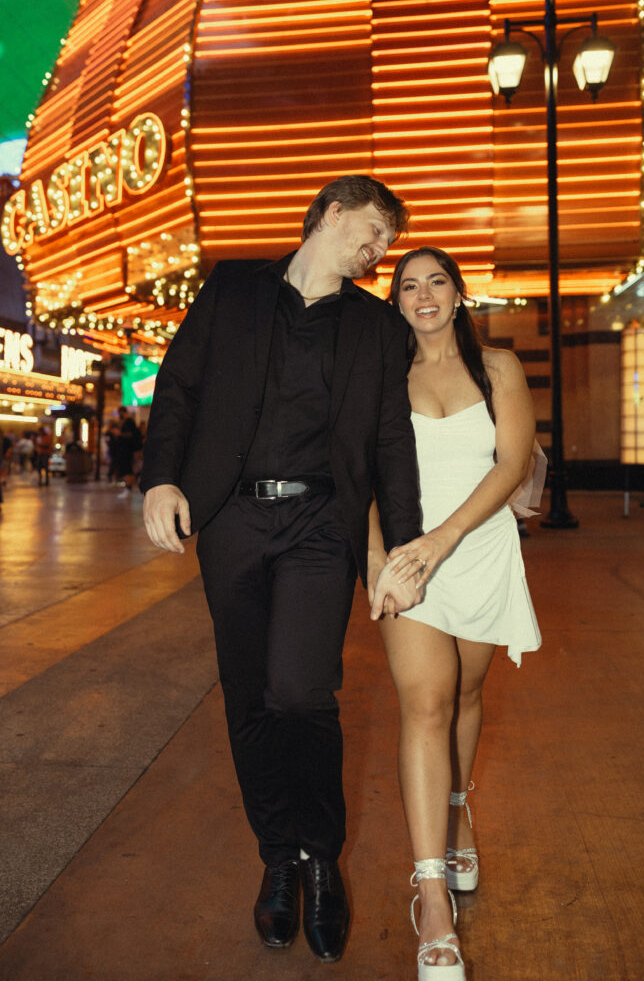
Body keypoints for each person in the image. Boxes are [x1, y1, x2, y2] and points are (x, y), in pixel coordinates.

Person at [140, 176, 422, 964]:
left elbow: (390, 444)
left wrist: (401, 549)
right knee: (248, 696)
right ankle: (277, 857)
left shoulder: (375, 328)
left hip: (317, 526)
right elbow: (180, 386)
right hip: (230, 519)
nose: (377, 253)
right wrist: (161, 478)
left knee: (301, 691)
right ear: (330, 213)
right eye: (371, 233)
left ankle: (321, 857)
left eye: (385, 245)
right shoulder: (232, 286)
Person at [370, 247, 542, 980]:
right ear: (398, 304)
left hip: (476, 551)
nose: (423, 294)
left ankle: (458, 810)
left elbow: (511, 462)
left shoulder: (496, 367)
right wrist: (380, 562)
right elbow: (362, 477)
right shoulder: (382, 378)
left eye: (435, 281)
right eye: (408, 286)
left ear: (458, 293)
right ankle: (431, 895)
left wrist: (447, 538)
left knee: (468, 695)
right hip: (409, 563)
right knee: (426, 703)